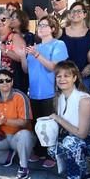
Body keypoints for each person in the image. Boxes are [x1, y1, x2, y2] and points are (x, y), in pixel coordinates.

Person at [46, 61, 90, 179]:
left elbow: (82, 134)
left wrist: (58, 119)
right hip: (79, 137)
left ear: (74, 78)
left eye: (66, 76)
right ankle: (74, 167)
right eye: (59, 76)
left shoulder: (84, 100)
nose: (62, 79)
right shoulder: (59, 97)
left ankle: (85, 178)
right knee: (52, 148)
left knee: (70, 142)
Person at [20, 15, 68, 165]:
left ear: (53, 29)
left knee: (50, 126)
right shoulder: (35, 47)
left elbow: (55, 67)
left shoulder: (58, 44)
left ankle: (51, 156)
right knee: (37, 125)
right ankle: (39, 152)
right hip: (34, 93)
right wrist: (23, 56)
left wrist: (36, 55)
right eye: (39, 25)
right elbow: (26, 70)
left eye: (44, 25)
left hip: (51, 92)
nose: (40, 28)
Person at [60, 2, 90, 91]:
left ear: (85, 14)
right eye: (73, 11)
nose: (75, 13)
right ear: (69, 14)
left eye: (79, 11)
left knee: (83, 103)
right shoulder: (61, 32)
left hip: (85, 77)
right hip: (64, 77)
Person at [0, 10, 27, 92]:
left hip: (15, 83)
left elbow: (22, 58)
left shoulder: (15, 37)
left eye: (3, 19)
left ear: (9, 21)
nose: (0, 22)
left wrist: (6, 50)